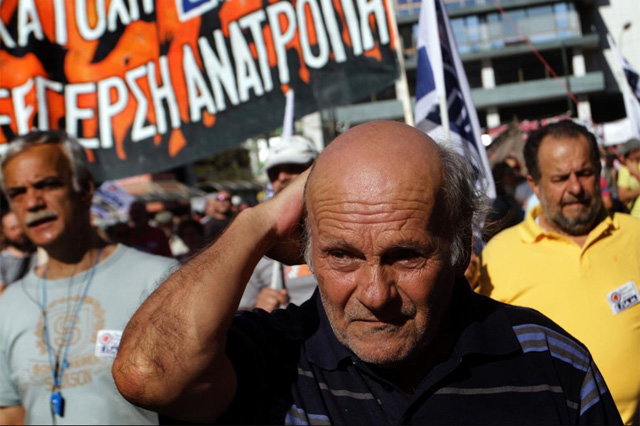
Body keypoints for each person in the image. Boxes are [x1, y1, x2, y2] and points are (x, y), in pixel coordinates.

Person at [113, 121, 621, 425]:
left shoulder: (548, 362)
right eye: (342, 256)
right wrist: (259, 221)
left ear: (460, 248)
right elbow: (145, 373)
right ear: (305, 253)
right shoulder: (274, 360)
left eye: (405, 256)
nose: (375, 294)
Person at [0, 130, 177, 425]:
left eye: (47, 184)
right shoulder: (8, 305)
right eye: (18, 193)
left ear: (84, 189)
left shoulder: (159, 279)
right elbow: (10, 413)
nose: (32, 203)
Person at [477, 121, 640, 425]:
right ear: (535, 184)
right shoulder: (498, 256)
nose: (575, 188)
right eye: (560, 178)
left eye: (585, 173)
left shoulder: (635, 235)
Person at [239, 135, 319, 311]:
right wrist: (256, 308)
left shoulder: (343, 225)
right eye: (274, 173)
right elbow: (238, 313)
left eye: (293, 167)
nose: (282, 177)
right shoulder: (259, 241)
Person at [0, 210, 35, 293]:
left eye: (20, 226)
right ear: (4, 232)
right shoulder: (2, 260)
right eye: (13, 228)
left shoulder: (39, 253)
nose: (19, 232)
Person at [617, 138, 640, 219]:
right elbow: (622, 196)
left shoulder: (632, 169)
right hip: (635, 218)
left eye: (627, 154)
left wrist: (636, 173)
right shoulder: (624, 168)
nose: (624, 157)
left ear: (637, 152)